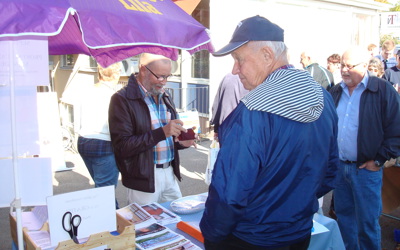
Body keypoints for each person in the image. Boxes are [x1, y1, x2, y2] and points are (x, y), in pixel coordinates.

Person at [199, 15, 339, 250]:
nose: (234, 70)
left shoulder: (252, 111)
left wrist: (212, 238)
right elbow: (330, 170)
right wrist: (295, 205)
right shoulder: (322, 96)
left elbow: (229, 194)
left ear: (267, 55)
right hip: (299, 232)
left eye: (238, 59)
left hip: (250, 238)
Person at [329, 47, 400, 250]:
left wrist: (378, 160)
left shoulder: (382, 90)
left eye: (350, 66)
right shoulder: (336, 91)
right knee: (344, 220)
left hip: (366, 170)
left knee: (367, 225)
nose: (344, 70)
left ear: (364, 66)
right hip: (340, 169)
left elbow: (396, 129)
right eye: (342, 65)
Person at [108, 53, 195, 206]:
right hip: (144, 178)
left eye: (168, 76)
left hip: (169, 173)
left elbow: (168, 139)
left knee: (177, 221)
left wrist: (182, 142)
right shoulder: (122, 99)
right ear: (143, 70)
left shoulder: (164, 95)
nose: (164, 82)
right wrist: (162, 132)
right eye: (160, 76)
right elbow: (122, 147)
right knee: (145, 227)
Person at [77, 62, 122, 209]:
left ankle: (113, 218)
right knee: (104, 192)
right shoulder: (114, 95)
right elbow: (116, 125)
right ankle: (107, 224)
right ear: (117, 74)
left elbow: (77, 118)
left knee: (102, 187)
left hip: (84, 141)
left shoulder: (85, 90)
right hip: (104, 143)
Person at [210, 73, 249, 140]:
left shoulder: (228, 77)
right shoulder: (253, 80)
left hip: (225, 127)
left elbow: (217, 104)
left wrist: (216, 128)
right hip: (243, 129)